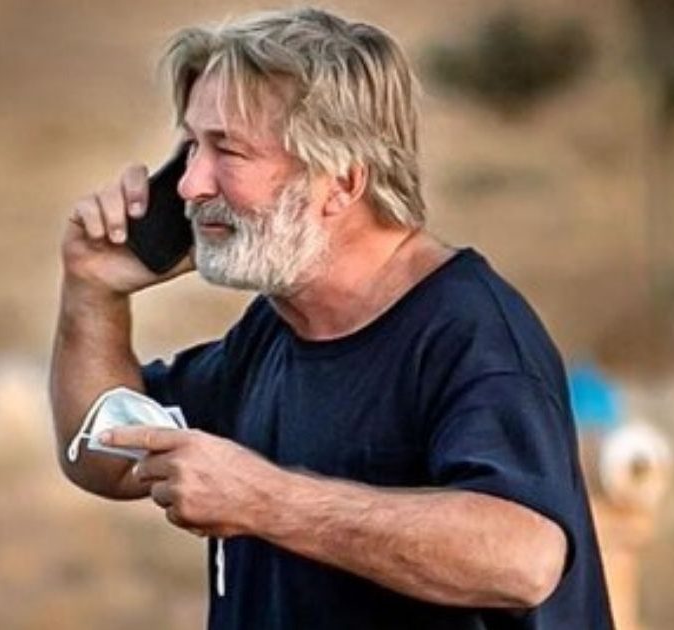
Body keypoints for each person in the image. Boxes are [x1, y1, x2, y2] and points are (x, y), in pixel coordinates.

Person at [49, 7, 613, 629]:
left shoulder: (471, 334)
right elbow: (103, 456)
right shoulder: (274, 330)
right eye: (191, 148)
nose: (189, 185)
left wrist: (264, 500)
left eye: (227, 150)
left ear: (341, 182)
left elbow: (522, 557)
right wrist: (92, 290)